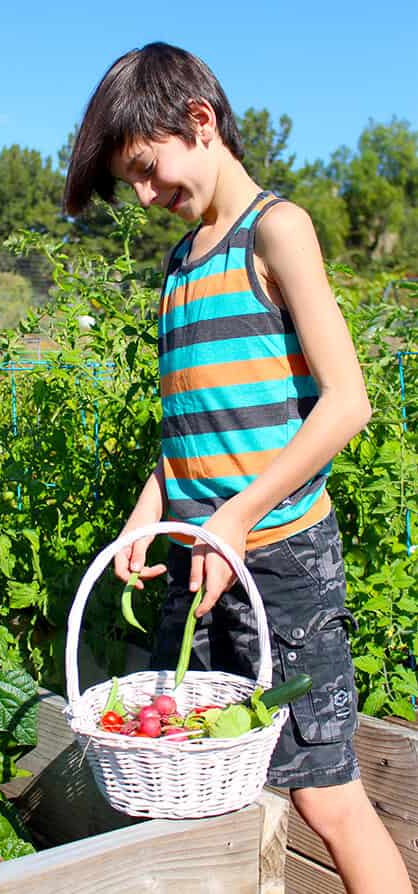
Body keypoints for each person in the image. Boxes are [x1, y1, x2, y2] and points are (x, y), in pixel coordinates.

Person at [64, 42, 411, 894]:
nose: (145, 196)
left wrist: (239, 516)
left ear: (201, 121)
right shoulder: (181, 267)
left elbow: (346, 403)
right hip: (201, 556)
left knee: (325, 795)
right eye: (131, 182)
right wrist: (150, 508)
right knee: (211, 781)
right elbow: (189, 429)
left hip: (280, 561)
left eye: (147, 169)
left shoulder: (276, 231)